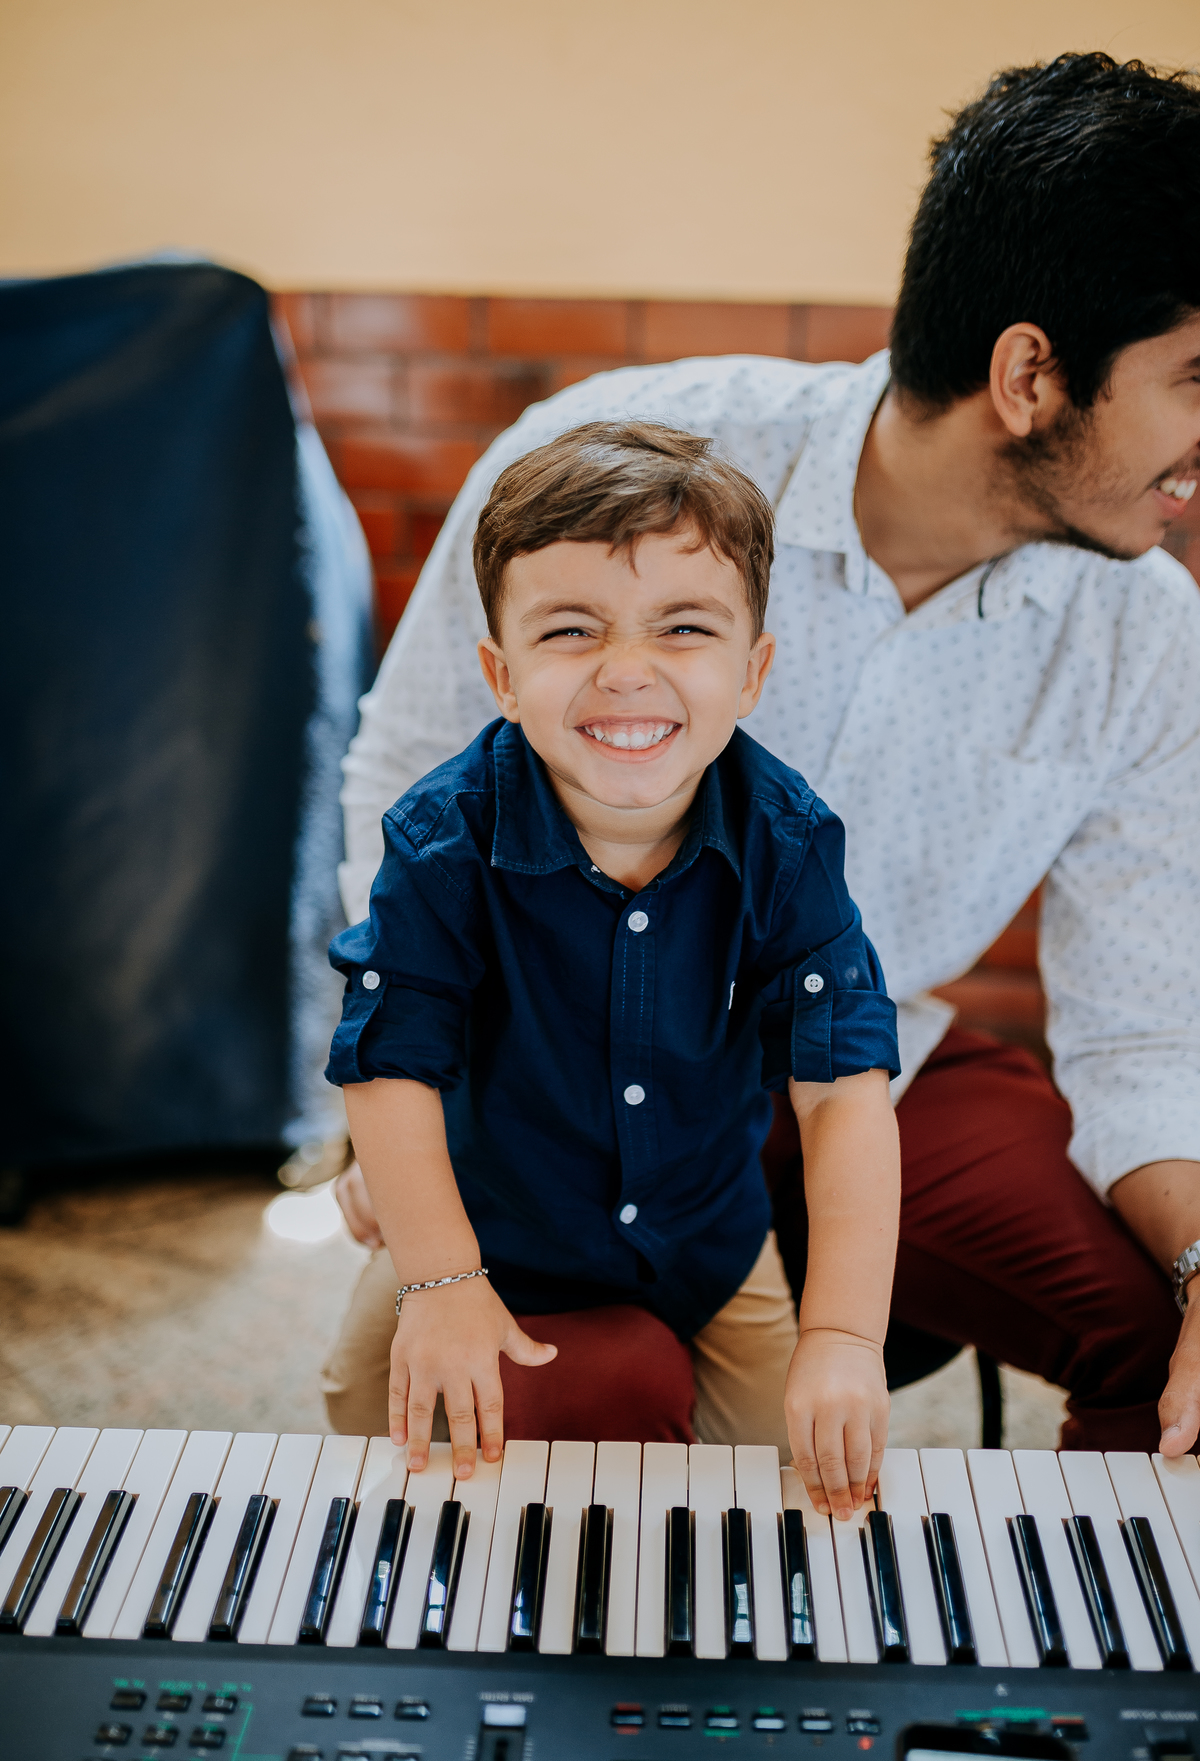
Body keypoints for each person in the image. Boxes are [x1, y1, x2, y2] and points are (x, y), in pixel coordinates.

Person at [327, 52, 1200, 1458]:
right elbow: (406, 785)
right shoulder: (599, 464)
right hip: (548, 1057)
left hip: (863, 1054)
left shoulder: (1151, 641)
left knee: (1160, 1334)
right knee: (587, 1388)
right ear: (1031, 373)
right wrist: (404, 1106)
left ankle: (1076, 1671)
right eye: (1194, 380)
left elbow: (1146, 1028)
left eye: (686, 627)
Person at [325, 422, 902, 1521]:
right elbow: (390, 1062)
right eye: (570, 630)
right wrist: (441, 1281)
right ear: (501, 675)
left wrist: (843, 1336)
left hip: (705, 1235)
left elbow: (842, 1092)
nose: (626, 671)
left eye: (684, 628)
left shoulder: (788, 840)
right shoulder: (443, 838)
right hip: (490, 1217)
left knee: (793, 1481)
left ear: (753, 672)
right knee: (369, 1422)